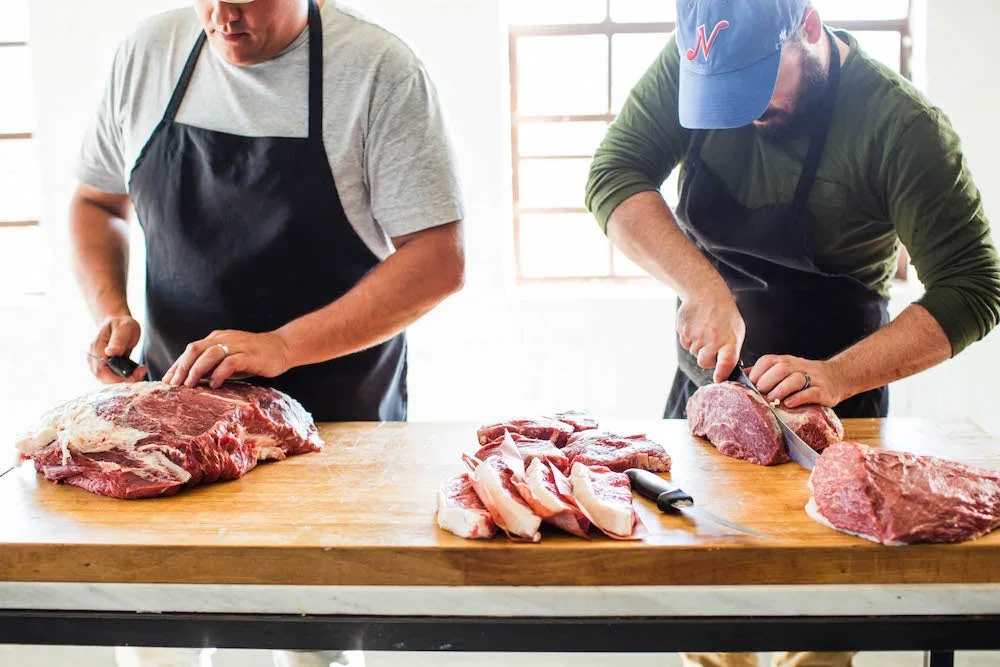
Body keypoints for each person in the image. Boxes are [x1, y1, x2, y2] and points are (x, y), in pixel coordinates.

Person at [585, 0, 1000, 666]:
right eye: (720, 99)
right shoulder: (700, 58)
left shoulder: (902, 127)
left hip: (835, 402)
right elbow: (613, 175)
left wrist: (836, 376)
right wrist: (700, 285)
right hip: (709, 396)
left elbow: (974, 288)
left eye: (754, 89)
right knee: (705, 612)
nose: (742, 115)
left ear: (807, 26)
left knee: (823, 624)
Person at [71, 0, 465, 665]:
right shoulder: (148, 55)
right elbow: (96, 202)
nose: (223, 15)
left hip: (331, 430)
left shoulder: (377, 71)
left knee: (313, 650)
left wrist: (283, 344)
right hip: (175, 425)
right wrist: (109, 306)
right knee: (153, 647)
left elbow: (438, 259)